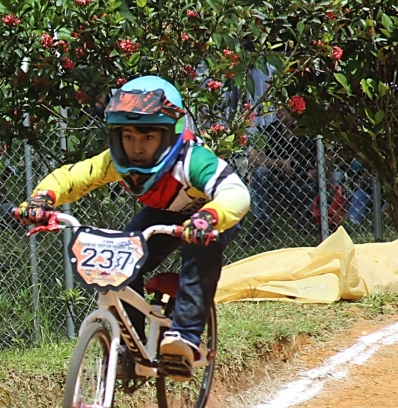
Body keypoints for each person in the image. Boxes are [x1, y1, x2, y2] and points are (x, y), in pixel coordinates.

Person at [16, 76, 250, 381]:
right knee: (126, 257)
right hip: (163, 212)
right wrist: (41, 199)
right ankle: (132, 346)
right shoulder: (114, 161)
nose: (136, 148)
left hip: (211, 214)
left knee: (199, 251)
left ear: (169, 136)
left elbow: (237, 194)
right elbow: (72, 177)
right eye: (128, 137)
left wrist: (208, 218)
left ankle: (185, 338)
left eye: (148, 137)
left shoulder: (192, 159)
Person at [248, 106, 318, 235]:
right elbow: (253, 159)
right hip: (278, 186)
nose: (295, 115)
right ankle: (261, 223)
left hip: (305, 186)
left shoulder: (309, 133)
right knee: (259, 172)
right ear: (280, 113)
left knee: (330, 178)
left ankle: (307, 218)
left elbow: (325, 161)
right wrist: (280, 163)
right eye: (291, 111)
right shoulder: (267, 132)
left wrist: (318, 171)